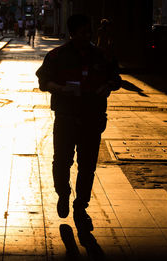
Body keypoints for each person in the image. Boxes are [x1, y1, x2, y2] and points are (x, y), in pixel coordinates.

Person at [36, 14, 121, 231]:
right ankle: (63, 193)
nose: (86, 36)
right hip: (66, 118)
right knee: (62, 161)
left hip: (93, 119)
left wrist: (107, 86)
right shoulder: (57, 56)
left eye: (88, 32)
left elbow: (115, 79)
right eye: (82, 32)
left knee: (87, 166)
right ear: (72, 33)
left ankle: (81, 205)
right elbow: (43, 82)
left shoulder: (101, 56)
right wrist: (61, 89)